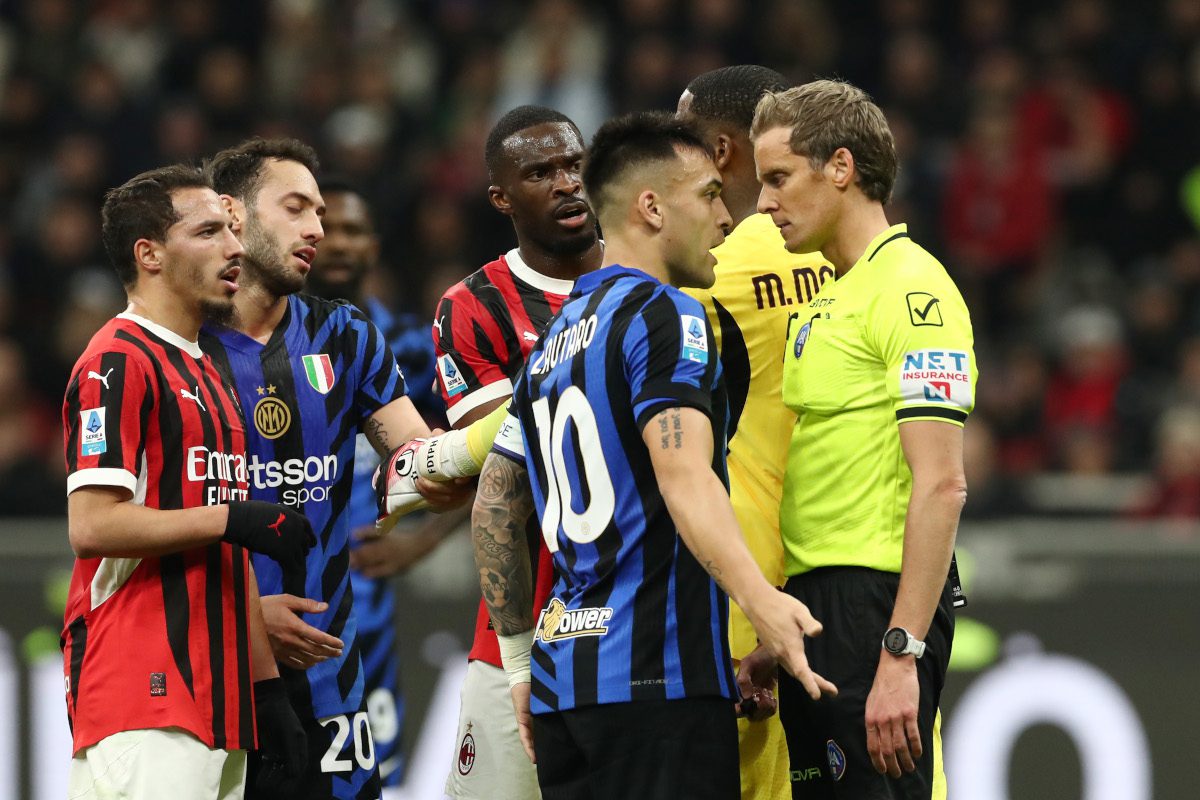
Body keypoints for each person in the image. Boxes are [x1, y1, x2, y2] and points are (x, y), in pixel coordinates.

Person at [473, 111, 836, 800]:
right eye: (707, 194)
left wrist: (520, 667)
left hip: (564, 688)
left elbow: (497, 496)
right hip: (654, 685)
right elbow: (684, 476)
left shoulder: (552, 342)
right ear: (650, 206)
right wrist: (762, 603)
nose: (727, 217)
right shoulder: (669, 315)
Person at [199, 138, 470, 800]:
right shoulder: (174, 344)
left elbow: (418, 458)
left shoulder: (347, 336)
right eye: (296, 208)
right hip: (204, 665)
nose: (317, 229)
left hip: (326, 676)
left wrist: (499, 430)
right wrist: (240, 611)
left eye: (320, 213)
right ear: (234, 215)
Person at [743, 80, 976, 798]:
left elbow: (942, 482)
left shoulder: (915, 292)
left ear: (840, 168)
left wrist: (900, 653)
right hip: (819, 610)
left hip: (876, 608)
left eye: (778, 178)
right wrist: (781, 631)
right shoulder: (830, 295)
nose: (762, 203)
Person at [62, 164, 313, 798]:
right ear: (148, 254)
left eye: (232, 230)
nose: (235, 247)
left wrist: (266, 690)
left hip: (217, 698)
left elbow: (222, 548)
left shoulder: (206, 370)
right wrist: (236, 519)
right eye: (208, 232)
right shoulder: (117, 359)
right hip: (143, 690)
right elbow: (92, 525)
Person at [433, 105, 603, 800]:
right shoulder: (473, 306)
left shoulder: (649, 285)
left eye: (574, 166)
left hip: (640, 621)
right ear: (501, 197)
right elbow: (503, 458)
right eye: (541, 173)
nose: (567, 184)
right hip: (520, 627)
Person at [677, 65, 835, 800]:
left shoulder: (702, 275)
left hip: (745, 571)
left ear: (717, 148)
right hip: (852, 559)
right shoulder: (847, 258)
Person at [306, 176, 456, 788]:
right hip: (287, 596)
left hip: (369, 610)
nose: (338, 243)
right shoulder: (263, 342)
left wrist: (423, 540)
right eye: (327, 230)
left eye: (353, 230)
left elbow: (480, 450)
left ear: (374, 246)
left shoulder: (416, 350)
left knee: (377, 777)